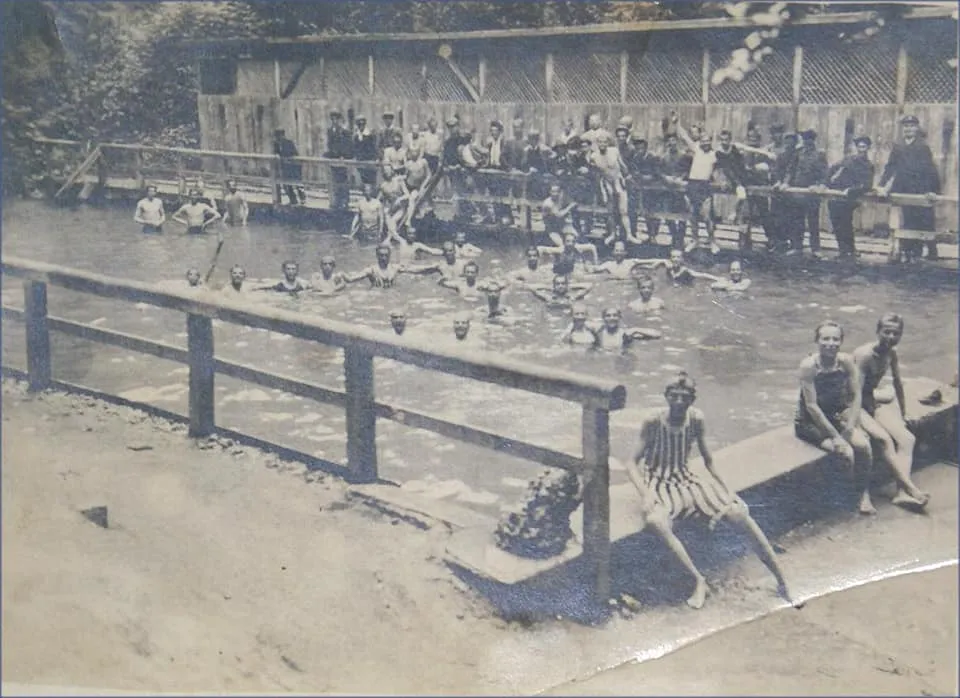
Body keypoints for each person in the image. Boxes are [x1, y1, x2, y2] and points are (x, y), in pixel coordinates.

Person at [625, 372, 795, 609]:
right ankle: (698, 579)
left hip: (685, 479)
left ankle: (781, 578)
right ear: (666, 397)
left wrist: (728, 491)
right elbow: (631, 463)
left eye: (685, 397)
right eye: (674, 396)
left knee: (738, 513)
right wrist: (646, 493)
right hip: (658, 483)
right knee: (656, 521)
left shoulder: (696, 419)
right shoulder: (653, 421)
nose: (679, 402)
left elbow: (709, 460)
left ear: (692, 399)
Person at [794, 321, 875, 515]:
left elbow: (856, 395)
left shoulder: (845, 362)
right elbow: (812, 406)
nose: (831, 343)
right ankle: (844, 498)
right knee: (846, 453)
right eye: (825, 339)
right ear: (817, 341)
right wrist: (836, 436)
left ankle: (864, 494)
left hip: (836, 415)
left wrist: (850, 426)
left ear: (841, 341)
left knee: (864, 446)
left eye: (835, 339)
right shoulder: (809, 367)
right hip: (811, 422)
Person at [852, 313, 929, 511]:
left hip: (870, 400)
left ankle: (901, 492)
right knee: (884, 439)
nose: (891, 337)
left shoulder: (891, 353)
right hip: (853, 404)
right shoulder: (865, 355)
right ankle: (910, 488)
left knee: (907, 439)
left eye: (896, 333)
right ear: (878, 332)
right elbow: (854, 394)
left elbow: (898, 383)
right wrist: (857, 423)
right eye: (887, 332)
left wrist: (903, 414)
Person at [876, 114, 942, 262]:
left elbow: (930, 170)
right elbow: (890, 167)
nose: (908, 129)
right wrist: (881, 185)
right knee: (907, 220)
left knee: (923, 220)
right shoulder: (898, 147)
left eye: (912, 126)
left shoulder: (923, 147)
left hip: (920, 189)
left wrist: (933, 190)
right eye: (906, 126)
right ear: (902, 128)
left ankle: (925, 252)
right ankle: (907, 252)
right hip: (903, 188)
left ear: (917, 128)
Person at [824, 135, 875, 260]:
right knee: (836, 224)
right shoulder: (848, 159)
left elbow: (867, 185)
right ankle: (843, 251)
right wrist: (827, 183)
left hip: (851, 197)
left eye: (863, 147)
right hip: (837, 195)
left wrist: (851, 190)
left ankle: (849, 251)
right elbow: (833, 169)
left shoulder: (868, 165)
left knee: (845, 223)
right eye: (859, 147)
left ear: (868, 148)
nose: (861, 149)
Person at [787, 129, 828, 258]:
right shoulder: (798, 153)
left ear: (813, 140)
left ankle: (815, 248)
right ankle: (797, 247)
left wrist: (819, 185)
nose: (806, 142)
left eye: (809, 139)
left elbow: (824, 174)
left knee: (813, 222)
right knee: (797, 221)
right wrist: (786, 183)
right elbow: (790, 170)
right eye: (805, 139)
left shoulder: (819, 155)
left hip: (812, 194)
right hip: (798, 193)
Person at [590, 134, 634, 245]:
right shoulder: (594, 156)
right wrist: (601, 189)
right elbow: (596, 173)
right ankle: (612, 234)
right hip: (606, 183)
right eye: (600, 142)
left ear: (608, 143)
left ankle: (629, 235)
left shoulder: (614, 151)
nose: (602, 144)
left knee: (623, 211)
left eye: (604, 142)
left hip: (618, 181)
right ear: (597, 143)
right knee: (610, 212)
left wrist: (627, 175)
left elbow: (622, 165)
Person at [344, 244, 438, 289]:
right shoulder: (371, 270)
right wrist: (342, 276)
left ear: (389, 256)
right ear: (377, 256)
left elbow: (415, 270)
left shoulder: (394, 268)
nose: (384, 258)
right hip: (376, 295)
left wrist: (432, 268)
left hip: (392, 293)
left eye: (386, 255)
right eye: (381, 255)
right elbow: (352, 279)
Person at [592, 307, 662, 351]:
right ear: (603, 318)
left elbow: (657, 334)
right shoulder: (599, 332)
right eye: (608, 316)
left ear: (620, 318)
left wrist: (635, 329)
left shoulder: (626, 334)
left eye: (615, 315)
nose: (612, 318)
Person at [325, 110, 353, 210]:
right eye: (332, 119)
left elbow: (348, 145)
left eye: (336, 119)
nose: (334, 121)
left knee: (343, 181)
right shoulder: (330, 131)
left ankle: (345, 201)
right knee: (335, 181)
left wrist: (344, 156)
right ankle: (336, 201)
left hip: (342, 160)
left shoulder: (344, 131)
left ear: (340, 120)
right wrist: (329, 155)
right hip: (333, 160)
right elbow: (330, 145)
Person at [588, 240, 659, 280]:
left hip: (627, 283)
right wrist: (588, 267)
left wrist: (662, 261)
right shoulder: (608, 264)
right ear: (613, 252)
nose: (619, 253)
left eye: (621, 251)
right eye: (617, 250)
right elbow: (595, 269)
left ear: (625, 253)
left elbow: (650, 261)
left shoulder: (631, 262)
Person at [653, 249, 720, 287]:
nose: (675, 259)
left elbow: (702, 275)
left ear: (682, 259)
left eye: (678, 257)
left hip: (685, 287)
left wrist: (717, 278)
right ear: (670, 258)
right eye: (673, 257)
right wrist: (656, 264)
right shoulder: (668, 265)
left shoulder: (685, 270)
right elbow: (653, 261)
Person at [273, 129, 306, 205]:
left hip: (294, 165)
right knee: (286, 185)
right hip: (285, 167)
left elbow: (294, 154)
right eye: (277, 137)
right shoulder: (276, 144)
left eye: (280, 136)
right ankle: (293, 200)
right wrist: (277, 155)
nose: (278, 138)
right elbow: (276, 153)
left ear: (283, 136)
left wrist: (289, 160)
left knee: (298, 183)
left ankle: (302, 198)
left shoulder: (289, 143)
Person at [528, 274, 593, 309]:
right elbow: (531, 288)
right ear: (554, 285)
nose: (560, 286)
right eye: (558, 284)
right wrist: (550, 288)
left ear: (566, 285)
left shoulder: (572, 297)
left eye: (563, 283)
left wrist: (570, 286)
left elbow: (589, 285)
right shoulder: (548, 298)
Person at [353, 114, 379, 185]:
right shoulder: (356, 136)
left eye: (362, 124)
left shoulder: (370, 135)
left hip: (370, 162)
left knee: (371, 182)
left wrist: (374, 159)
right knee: (363, 183)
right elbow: (355, 149)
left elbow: (374, 148)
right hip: (361, 163)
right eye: (359, 124)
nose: (361, 126)